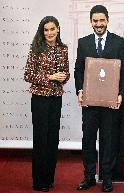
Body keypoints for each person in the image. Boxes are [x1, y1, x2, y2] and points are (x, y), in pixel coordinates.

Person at [74, 5, 124, 192]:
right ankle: (89, 177)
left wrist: (121, 94)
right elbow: (78, 71)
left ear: (107, 20)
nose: (98, 24)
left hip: (110, 102)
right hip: (89, 102)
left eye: (101, 20)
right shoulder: (83, 43)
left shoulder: (119, 42)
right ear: (91, 22)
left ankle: (106, 178)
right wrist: (79, 91)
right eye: (95, 21)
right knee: (88, 139)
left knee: (109, 140)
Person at [24, 16, 70, 192]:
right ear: (42, 32)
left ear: (58, 29)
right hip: (40, 99)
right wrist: (50, 77)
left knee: (52, 139)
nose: (49, 33)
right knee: (41, 139)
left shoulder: (63, 49)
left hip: (56, 98)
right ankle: (38, 181)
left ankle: (49, 178)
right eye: (46, 30)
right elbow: (28, 75)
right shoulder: (36, 48)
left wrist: (63, 77)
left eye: (52, 29)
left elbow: (66, 74)